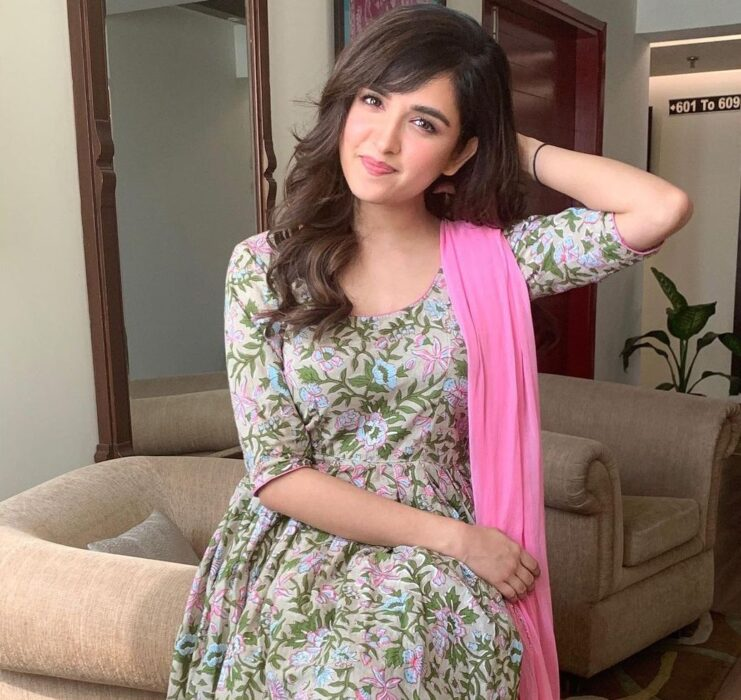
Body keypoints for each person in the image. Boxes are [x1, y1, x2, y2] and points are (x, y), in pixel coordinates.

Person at [166, 5, 692, 699]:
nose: (383, 140)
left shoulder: (495, 262)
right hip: (304, 542)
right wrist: (456, 542)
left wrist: (514, 146)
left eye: (424, 123)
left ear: (458, 152)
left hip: (444, 558)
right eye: (372, 101)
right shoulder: (265, 266)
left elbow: (657, 208)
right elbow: (277, 471)